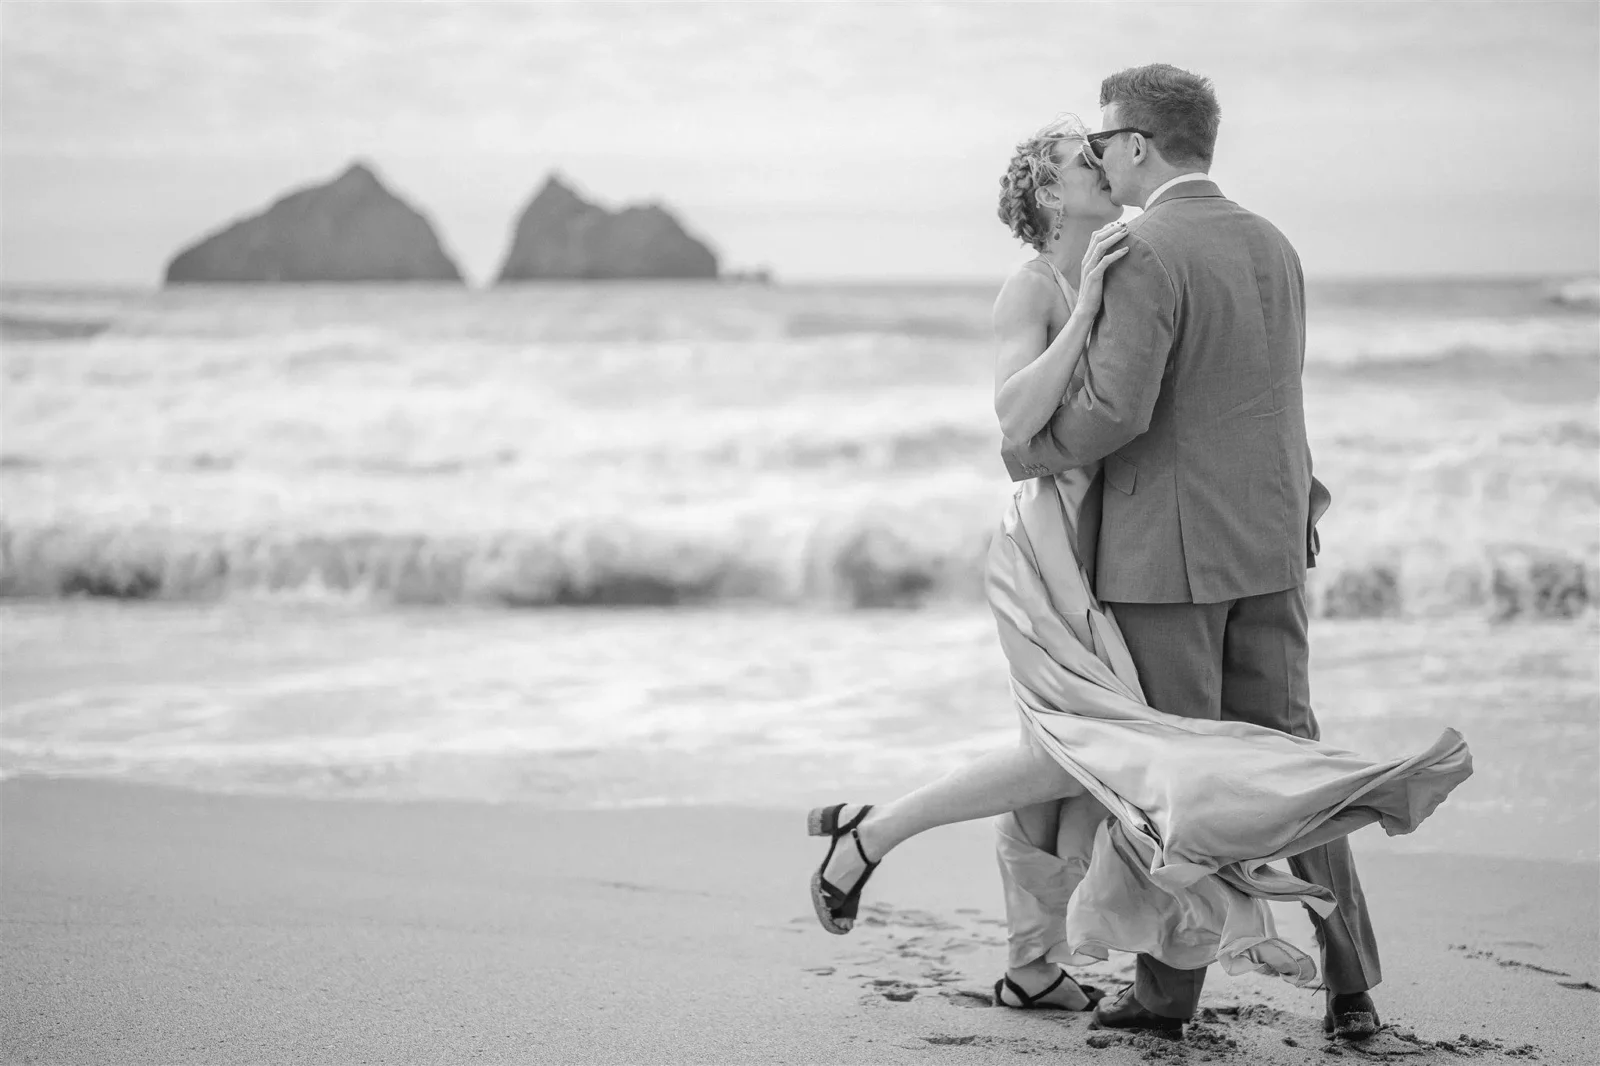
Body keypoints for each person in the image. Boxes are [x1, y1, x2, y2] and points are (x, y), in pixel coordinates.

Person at [806, 65, 1473, 1043]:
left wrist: (1024, 453)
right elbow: (1269, 398)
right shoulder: (1275, 244)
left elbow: (1115, 413)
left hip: (1169, 565)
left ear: (1139, 145)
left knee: (1182, 784)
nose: (1099, 152)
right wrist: (1300, 509)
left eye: (1107, 137)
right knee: (1294, 763)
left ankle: (1163, 1000)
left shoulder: (1145, 249)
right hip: (1274, 550)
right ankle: (1351, 985)